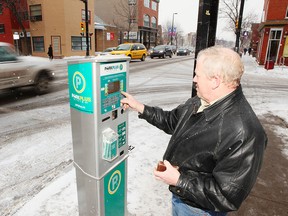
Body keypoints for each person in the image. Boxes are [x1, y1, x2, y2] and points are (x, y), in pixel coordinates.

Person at [121, 46, 267, 216]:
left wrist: (179, 180)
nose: (194, 79)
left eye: (198, 74)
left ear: (215, 80)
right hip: (183, 198)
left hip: (199, 210)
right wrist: (140, 107)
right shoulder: (201, 101)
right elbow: (172, 121)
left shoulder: (245, 132)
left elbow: (227, 195)